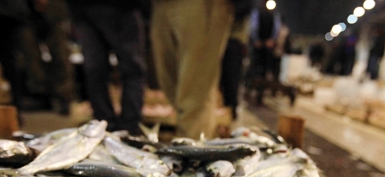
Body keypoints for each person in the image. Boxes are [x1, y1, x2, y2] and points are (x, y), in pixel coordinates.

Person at [150, 0, 235, 139]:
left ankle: (192, 153)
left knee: (195, 96)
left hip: (203, 4)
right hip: (160, 4)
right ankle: (197, 143)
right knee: (171, 86)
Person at [66, 0, 148, 134]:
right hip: (92, 10)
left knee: (128, 69)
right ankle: (112, 128)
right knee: (98, 70)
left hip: (115, 8)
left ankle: (122, 128)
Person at [220, 9, 253, 121]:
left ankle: (229, 112)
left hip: (233, 39)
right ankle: (222, 111)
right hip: (220, 36)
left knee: (231, 79)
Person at [0, 0, 31, 115]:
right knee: (11, 62)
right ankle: (14, 111)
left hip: (9, 12)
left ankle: (13, 112)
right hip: (11, 11)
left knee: (11, 63)